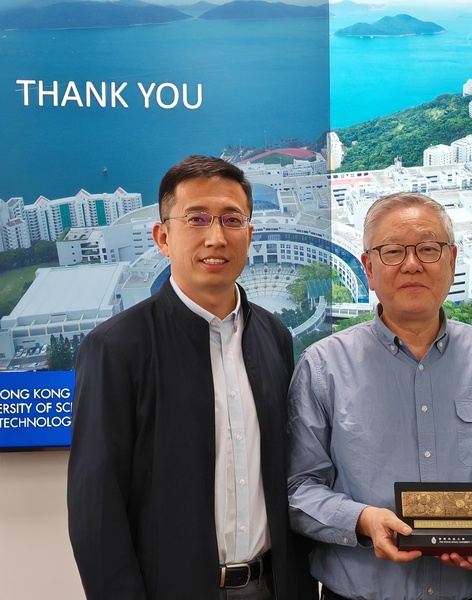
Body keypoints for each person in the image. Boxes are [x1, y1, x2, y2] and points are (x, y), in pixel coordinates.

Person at [67, 155, 316, 600]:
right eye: (196, 219)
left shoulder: (273, 336)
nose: (216, 237)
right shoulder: (117, 348)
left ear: (249, 235)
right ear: (163, 237)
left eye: (231, 220)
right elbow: (96, 510)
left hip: (272, 584)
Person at [286, 192, 472, 600]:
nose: (412, 264)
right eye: (393, 251)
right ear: (369, 269)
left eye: (428, 249)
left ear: (451, 261)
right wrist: (361, 520)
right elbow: (299, 488)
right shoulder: (323, 365)